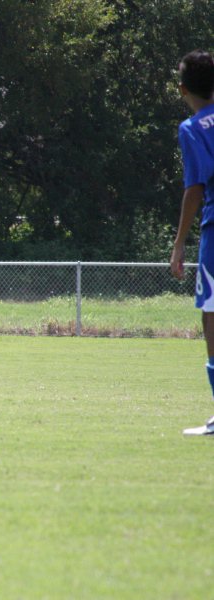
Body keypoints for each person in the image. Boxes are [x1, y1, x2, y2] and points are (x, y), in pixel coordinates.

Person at [169, 49, 214, 435]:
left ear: (182, 88)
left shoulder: (192, 128)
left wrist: (180, 242)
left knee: (212, 316)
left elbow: (195, 188)